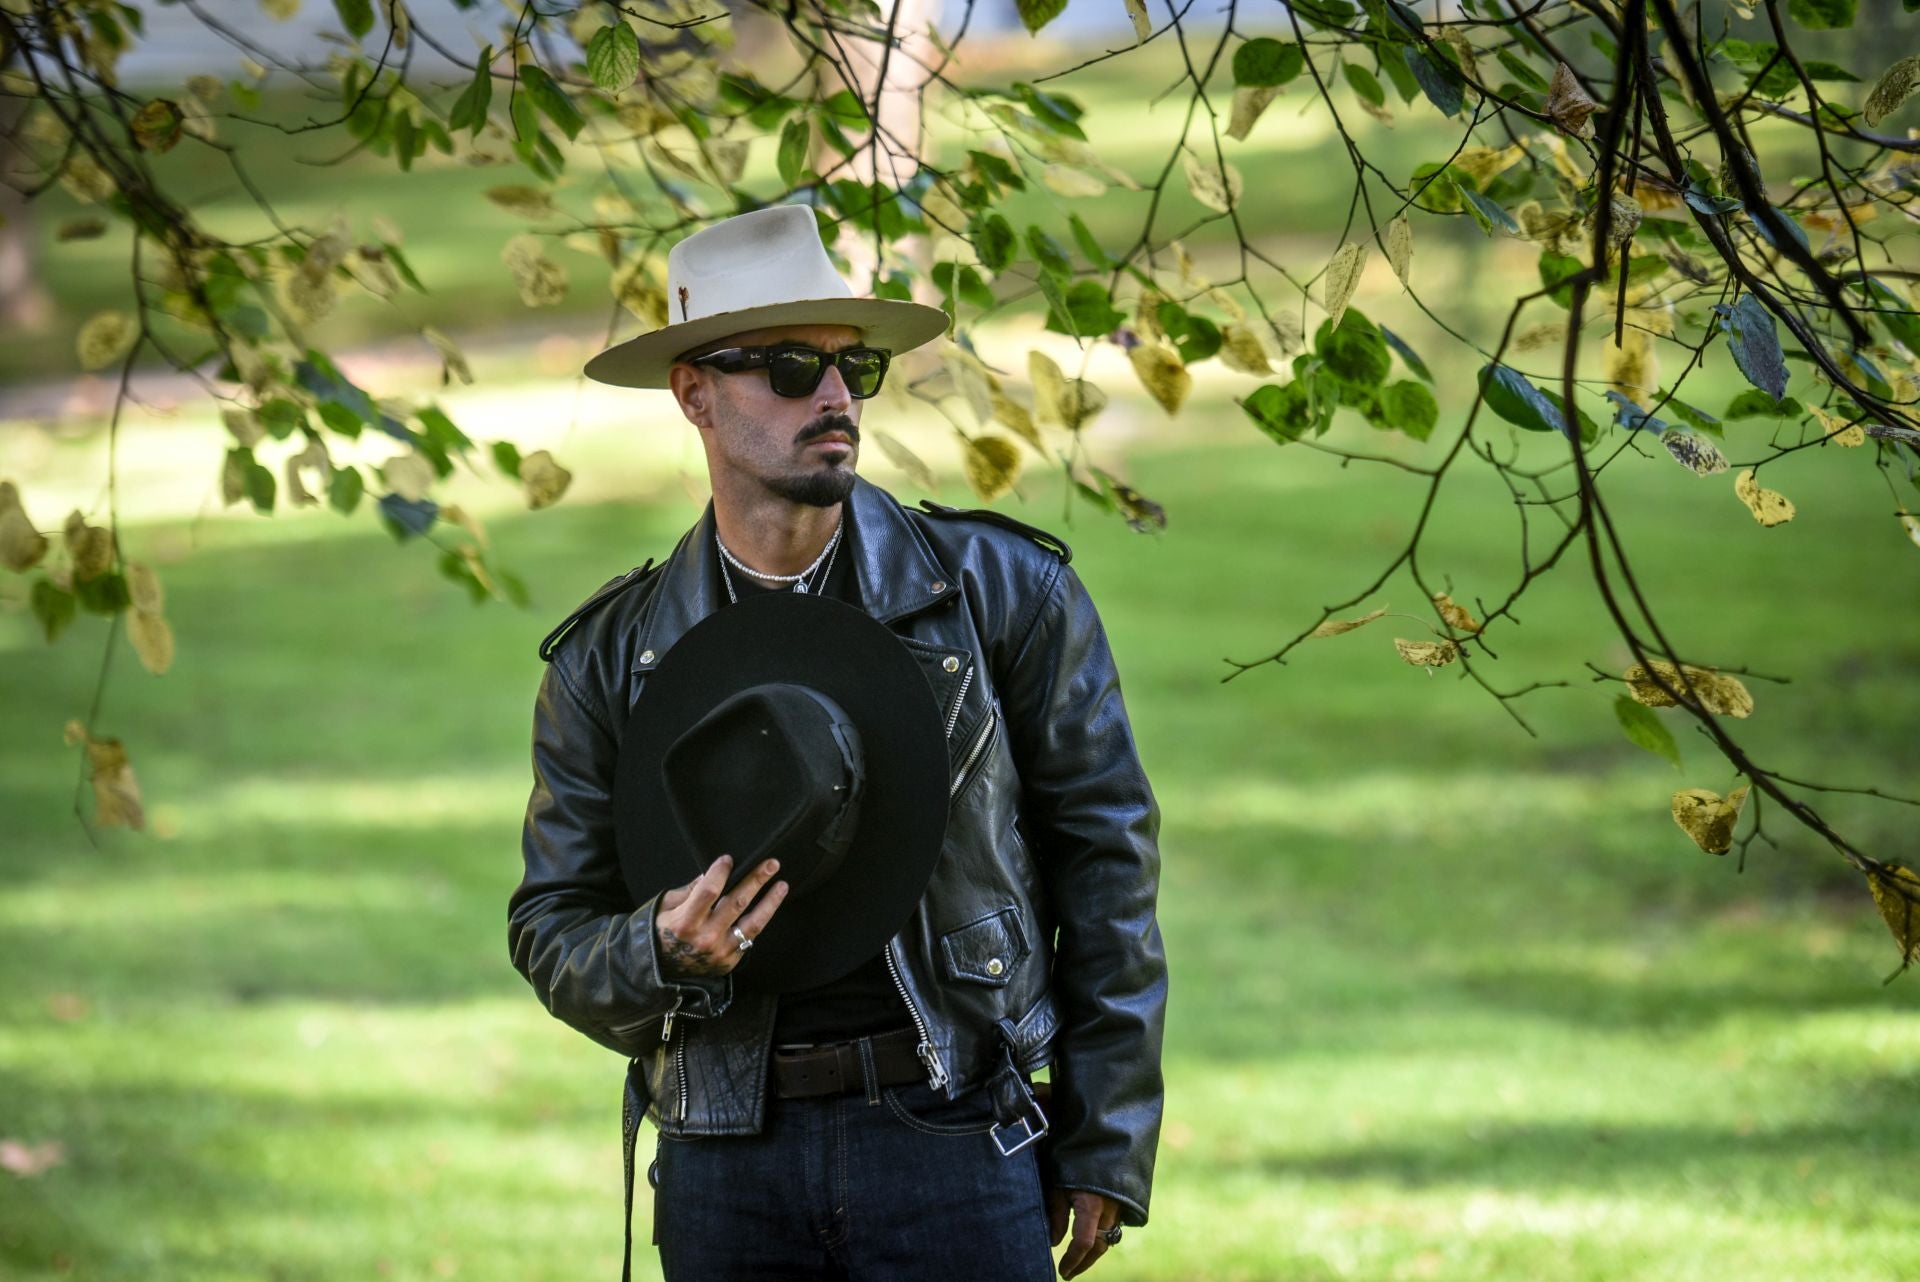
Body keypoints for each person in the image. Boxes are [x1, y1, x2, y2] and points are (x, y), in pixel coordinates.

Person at [509, 205, 1166, 1281]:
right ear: (694, 394)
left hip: (957, 1128)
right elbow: (552, 925)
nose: (833, 397)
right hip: (726, 1164)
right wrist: (660, 952)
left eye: (850, 367)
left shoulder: (1005, 592)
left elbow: (1109, 859)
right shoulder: (608, 658)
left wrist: (1105, 1134)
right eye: (785, 366)